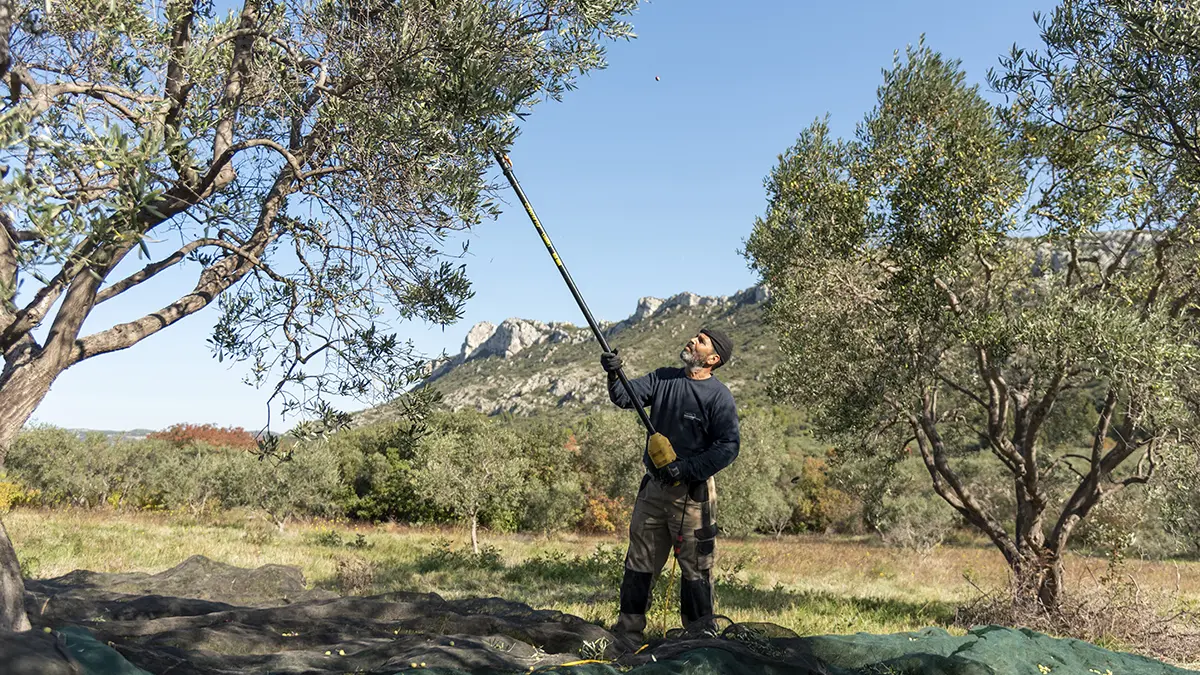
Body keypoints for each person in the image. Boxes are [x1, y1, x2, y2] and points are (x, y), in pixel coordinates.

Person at [600, 327, 740, 647]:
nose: (693, 340)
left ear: (713, 358)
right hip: (653, 489)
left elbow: (728, 447)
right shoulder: (663, 378)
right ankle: (628, 634)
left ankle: (699, 639)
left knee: (695, 571)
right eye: (695, 336)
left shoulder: (719, 397)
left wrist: (687, 467)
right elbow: (624, 396)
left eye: (701, 341)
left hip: (693, 496)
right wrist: (613, 373)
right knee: (639, 562)